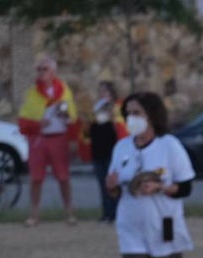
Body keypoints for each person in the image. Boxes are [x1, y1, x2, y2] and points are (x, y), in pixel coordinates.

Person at [103, 92, 195, 258]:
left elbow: (186, 186)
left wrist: (161, 187)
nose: (131, 119)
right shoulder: (122, 148)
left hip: (163, 227)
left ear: (152, 116)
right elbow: (115, 190)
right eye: (128, 113)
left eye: (137, 113)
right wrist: (110, 186)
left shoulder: (169, 146)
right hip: (131, 228)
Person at [17, 55, 78, 227]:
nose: (41, 73)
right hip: (38, 139)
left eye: (45, 69)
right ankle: (34, 215)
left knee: (63, 177)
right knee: (36, 178)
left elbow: (72, 116)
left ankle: (69, 213)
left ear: (54, 72)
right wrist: (38, 124)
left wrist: (64, 113)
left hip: (59, 138)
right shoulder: (32, 93)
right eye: (39, 69)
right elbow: (23, 119)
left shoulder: (64, 90)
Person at [88, 80, 127, 223]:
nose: (101, 94)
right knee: (102, 183)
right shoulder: (96, 110)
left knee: (114, 183)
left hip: (112, 150)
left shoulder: (117, 108)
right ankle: (107, 212)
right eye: (100, 91)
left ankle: (117, 212)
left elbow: (121, 128)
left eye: (104, 91)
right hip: (99, 150)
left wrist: (111, 115)